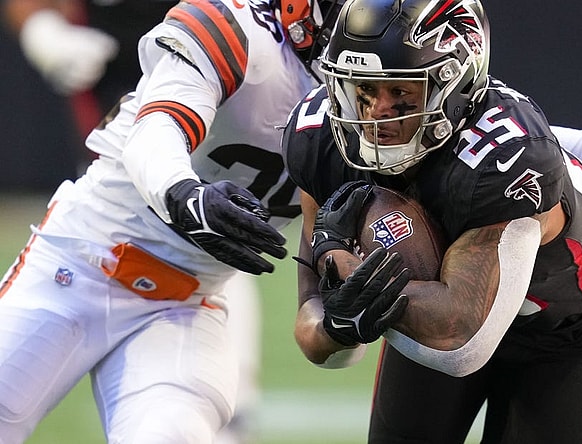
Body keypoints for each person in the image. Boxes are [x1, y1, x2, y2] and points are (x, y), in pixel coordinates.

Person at [282, 0, 582, 443]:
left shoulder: (506, 161)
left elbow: (463, 341)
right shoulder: (322, 140)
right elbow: (318, 336)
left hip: (561, 324)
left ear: (453, 88)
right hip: (430, 303)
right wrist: (338, 322)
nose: (376, 115)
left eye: (401, 93)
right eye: (364, 91)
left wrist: (358, 289)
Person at [0, 0, 343, 442]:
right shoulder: (240, 31)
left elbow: (326, 327)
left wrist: (348, 322)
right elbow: (154, 136)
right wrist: (186, 195)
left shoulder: (382, 101)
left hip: (185, 303)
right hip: (79, 260)